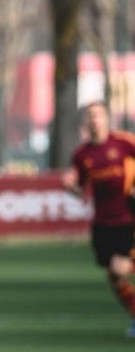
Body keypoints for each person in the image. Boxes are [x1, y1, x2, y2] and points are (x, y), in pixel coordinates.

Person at [63, 100, 135, 336]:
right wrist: (70, 187)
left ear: (107, 118)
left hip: (128, 218)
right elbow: (81, 190)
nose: (94, 120)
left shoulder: (124, 143)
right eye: (90, 116)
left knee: (120, 267)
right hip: (103, 222)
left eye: (98, 115)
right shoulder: (82, 154)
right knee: (114, 276)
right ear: (84, 122)